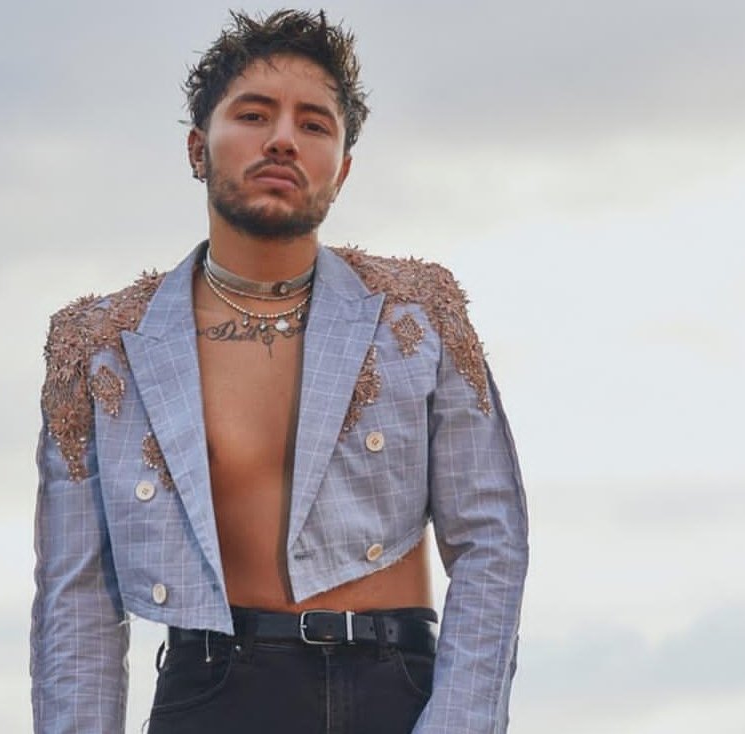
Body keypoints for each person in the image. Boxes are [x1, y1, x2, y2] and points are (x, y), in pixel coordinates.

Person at [31, 9, 528, 734]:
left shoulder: (417, 316)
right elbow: (74, 597)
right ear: (198, 148)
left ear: (343, 169)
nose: (283, 139)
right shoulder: (99, 345)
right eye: (254, 115)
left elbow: (492, 540)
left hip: (393, 693)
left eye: (314, 124)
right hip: (212, 695)